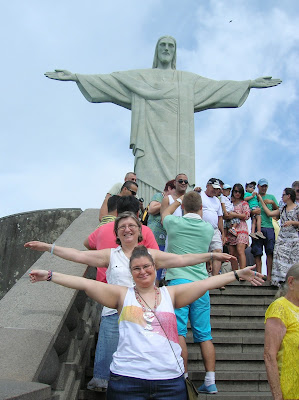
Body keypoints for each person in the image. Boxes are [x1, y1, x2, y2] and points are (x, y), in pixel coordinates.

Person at [44, 36, 281, 204]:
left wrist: (248, 83)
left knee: (181, 178)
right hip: (150, 139)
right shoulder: (141, 77)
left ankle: (180, 208)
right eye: (162, 45)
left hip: (179, 144)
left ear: (175, 52)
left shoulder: (186, 80)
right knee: (147, 184)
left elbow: (217, 88)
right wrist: (76, 77)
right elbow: (111, 81)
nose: (167, 48)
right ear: (157, 51)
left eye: (171, 46)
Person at [25, 213, 236, 394]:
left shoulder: (150, 255)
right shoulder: (110, 254)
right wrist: (48, 247)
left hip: (145, 316)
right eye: (122, 227)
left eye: (132, 226)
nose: (127, 229)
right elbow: (79, 255)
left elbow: (180, 260)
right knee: (109, 374)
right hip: (113, 314)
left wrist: (211, 254)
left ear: (139, 230)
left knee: (141, 366)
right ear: (116, 233)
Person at [162, 191, 218, 394]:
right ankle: (210, 380)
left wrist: (177, 200)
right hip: (201, 284)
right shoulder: (208, 229)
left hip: (178, 282)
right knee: (204, 334)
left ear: (183, 207)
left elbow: (164, 212)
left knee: (179, 332)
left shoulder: (173, 223)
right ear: (201, 208)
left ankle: (183, 378)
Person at [264, 263, 299, 400]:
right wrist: (278, 396)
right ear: (291, 282)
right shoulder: (280, 308)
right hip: (290, 389)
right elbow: (269, 355)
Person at [258, 188, 299, 286]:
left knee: (292, 259)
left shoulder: (297, 208)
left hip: (293, 237)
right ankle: (280, 280)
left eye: (283, 195)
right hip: (282, 237)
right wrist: (261, 200)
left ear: (288, 196)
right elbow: (269, 213)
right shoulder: (282, 208)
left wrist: (292, 222)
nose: (282, 197)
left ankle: (292, 281)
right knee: (278, 254)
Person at [147, 179, 176, 282]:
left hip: (166, 239)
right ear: (169, 188)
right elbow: (151, 209)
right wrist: (167, 203)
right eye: (175, 190)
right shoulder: (159, 196)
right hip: (154, 236)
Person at [251, 178, 279, 279]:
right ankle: (258, 275)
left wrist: (272, 203)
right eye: (262, 186)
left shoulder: (271, 197)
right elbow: (247, 211)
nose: (264, 188)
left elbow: (280, 212)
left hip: (269, 227)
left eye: (265, 186)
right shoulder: (253, 198)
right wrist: (253, 212)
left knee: (270, 252)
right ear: (258, 186)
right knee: (257, 253)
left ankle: (270, 277)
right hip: (257, 229)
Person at [201, 178, 224, 276]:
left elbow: (220, 218)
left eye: (217, 189)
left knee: (218, 251)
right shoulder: (199, 194)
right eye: (213, 188)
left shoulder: (217, 201)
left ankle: (215, 278)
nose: (215, 190)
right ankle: (202, 277)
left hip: (214, 230)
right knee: (202, 253)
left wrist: (222, 233)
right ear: (207, 185)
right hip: (201, 228)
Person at [226, 184, 250, 270]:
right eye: (235, 191)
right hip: (230, 228)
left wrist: (235, 215)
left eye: (239, 192)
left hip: (241, 228)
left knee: (240, 250)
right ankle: (235, 273)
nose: (237, 193)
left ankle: (242, 272)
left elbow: (247, 215)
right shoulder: (229, 202)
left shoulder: (244, 203)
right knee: (232, 253)